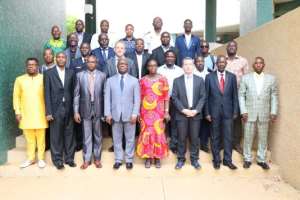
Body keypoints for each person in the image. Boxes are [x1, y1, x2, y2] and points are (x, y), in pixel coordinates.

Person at [239, 57, 278, 170]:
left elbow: (274, 96)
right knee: (248, 137)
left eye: (260, 63)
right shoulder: (246, 78)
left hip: (264, 113)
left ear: (264, 65)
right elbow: (241, 95)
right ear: (253, 65)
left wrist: (273, 111)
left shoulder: (271, 79)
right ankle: (247, 159)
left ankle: (261, 159)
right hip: (249, 113)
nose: (258, 65)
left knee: (263, 137)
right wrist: (243, 111)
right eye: (256, 63)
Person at [104, 58, 140, 170]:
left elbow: (137, 99)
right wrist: (107, 114)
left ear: (128, 66)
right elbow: (107, 99)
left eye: (124, 64)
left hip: (130, 115)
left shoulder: (134, 81)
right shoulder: (110, 80)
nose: (123, 65)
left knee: (130, 139)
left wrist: (135, 114)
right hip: (115, 115)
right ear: (117, 66)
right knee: (117, 138)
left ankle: (129, 159)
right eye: (120, 64)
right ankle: (118, 160)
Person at [13, 58, 48, 168]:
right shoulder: (19, 80)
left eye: (33, 65)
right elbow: (16, 97)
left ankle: (41, 158)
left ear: (38, 66)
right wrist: (17, 112)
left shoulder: (44, 78)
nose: (31, 66)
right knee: (29, 139)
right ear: (26, 66)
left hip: (40, 113)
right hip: (26, 114)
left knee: (41, 138)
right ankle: (31, 158)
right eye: (29, 65)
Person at [205, 55, 239, 170]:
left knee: (228, 137)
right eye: (219, 62)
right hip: (214, 112)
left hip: (228, 112)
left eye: (223, 62)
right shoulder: (209, 77)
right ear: (216, 64)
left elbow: (235, 95)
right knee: (215, 137)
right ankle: (216, 160)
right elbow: (206, 96)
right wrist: (207, 112)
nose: (221, 64)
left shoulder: (232, 77)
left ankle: (227, 160)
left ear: (226, 64)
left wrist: (235, 111)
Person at [172, 57, 206, 170]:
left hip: (195, 114)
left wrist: (196, 110)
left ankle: (194, 159)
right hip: (182, 114)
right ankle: (181, 159)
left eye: (190, 64)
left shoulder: (200, 80)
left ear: (193, 66)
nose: (188, 66)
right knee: (181, 138)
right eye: (185, 64)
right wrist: (183, 110)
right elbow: (174, 97)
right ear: (182, 66)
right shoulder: (177, 80)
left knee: (194, 138)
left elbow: (203, 97)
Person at [44, 52, 76, 170]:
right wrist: (48, 112)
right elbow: (46, 93)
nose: (61, 59)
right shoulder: (48, 73)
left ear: (66, 59)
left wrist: (75, 109)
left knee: (69, 134)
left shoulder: (71, 73)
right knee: (56, 135)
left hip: (69, 108)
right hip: (55, 109)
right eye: (59, 57)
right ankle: (57, 160)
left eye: (63, 57)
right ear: (55, 59)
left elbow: (74, 92)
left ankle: (69, 159)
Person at [74, 55, 106, 169]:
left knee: (98, 135)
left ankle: (97, 159)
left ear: (96, 63)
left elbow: (105, 94)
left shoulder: (102, 76)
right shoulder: (79, 75)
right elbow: (76, 95)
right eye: (89, 62)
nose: (91, 64)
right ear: (86, 63)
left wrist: (105, 112)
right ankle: (86, 159)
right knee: (86, 136)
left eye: (93, 62)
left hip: (98, 109)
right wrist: (76, 112)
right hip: (84, 109)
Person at [137, 59, 170, 168]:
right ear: (147, 67)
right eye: (150, 66)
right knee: (146, 134)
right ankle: (148, 157)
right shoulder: (142, 80)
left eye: (154, 65)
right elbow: (139, 98)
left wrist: (166, 112)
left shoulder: (163, 80)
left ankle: (157, 157)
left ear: (157, 66)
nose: (152, 68)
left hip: (159, 112)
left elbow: (166, 97)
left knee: (158, 133)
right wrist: (138, 112)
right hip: (145, 113)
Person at [157, 50, 183, 154]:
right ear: (165, 58)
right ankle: (161, 143)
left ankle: (173, 145)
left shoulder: (180, 70)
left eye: (172, 57)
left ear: (175, 58)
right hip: (162, 100)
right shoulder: (159, 70)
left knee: (175, 122)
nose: (170, 58)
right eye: (168, 56)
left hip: (176, 99)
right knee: (162, 122)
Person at [226, 40, 249, 154]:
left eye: (233, 46)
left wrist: (245, 96)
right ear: (227, 48)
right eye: (229, 46)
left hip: (239, 95)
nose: (231, 47)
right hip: (225, 95)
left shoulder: (243, 61)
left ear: (236, 48)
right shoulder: (222, 60)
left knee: (237, 121)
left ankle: (236, 143)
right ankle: (226, 143)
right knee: (225, 119)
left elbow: (246, 79)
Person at [194, 56, 210, 153]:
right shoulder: (192, 73)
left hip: (207, 102)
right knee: (196, 124)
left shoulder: (209, 73)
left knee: (206, 124)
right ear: (195, 63)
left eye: (201, 61)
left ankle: (204, 144)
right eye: (198, 61)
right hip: (196, 102)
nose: (200, 63)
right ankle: (195, 145)